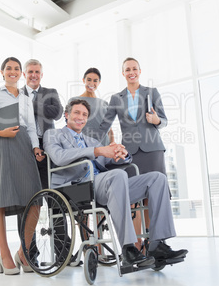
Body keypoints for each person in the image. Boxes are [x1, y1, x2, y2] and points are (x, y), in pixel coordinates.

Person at [43, 99, 187, 268]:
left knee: (157, 178)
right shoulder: (53, 134)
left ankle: (157, 245)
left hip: (106, 185)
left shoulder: (92, 141)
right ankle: (128, 248)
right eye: (76, 113)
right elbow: (59, 157)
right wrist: (98, 151)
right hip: (76, 187)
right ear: (67, 115)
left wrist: (121, 154)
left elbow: (107, 159)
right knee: (118, 176)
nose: (80, 117)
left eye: (84, 115)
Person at [99, 57, 168, 250]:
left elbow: (164, 120)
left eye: (134, 69)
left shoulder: (151, 92)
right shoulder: (116, 98)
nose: (131, 72)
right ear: (123, 73)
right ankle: (135, 244)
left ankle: (154, 242)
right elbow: (105, 124)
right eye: (127, 69)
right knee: (133, 197)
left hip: (153, 150)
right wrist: (88, 143)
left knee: (153, 194)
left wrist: (155, 120)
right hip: (131, 153)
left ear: (140, 71)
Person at [0, 57, 42, 275]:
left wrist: (36, 148)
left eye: (17, 69)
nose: (13, 72)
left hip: (24, 146)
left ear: (21, 73)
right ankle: (5, 255)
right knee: (0, 199)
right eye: (9, 68)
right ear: (2, 72)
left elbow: (33, 128)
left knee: (34, 199)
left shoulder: (26, 98)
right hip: (2, 145)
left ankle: (23, 253)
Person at [22, 59, 63, 188]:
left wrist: (29, 104)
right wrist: (45, 108)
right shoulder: (17, 94)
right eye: (30, 72)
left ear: (42, 75)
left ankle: (53, 208)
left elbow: (57, 113)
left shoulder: (50, 92)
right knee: (28, 187)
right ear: (24, 74)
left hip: (47, 145)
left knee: (49, 185)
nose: (34, 75)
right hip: (25, 144)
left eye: (37, 72)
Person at [69, 67, 114, 145]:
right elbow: (70, 126)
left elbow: (109, 129)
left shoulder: (104, 104)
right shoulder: (73, 101)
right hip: (82, 146)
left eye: (95, 81)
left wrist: (113, 143)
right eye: (89, 80)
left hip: (103, 146)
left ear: (99, 82)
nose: (91, 83)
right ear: (84, 80)